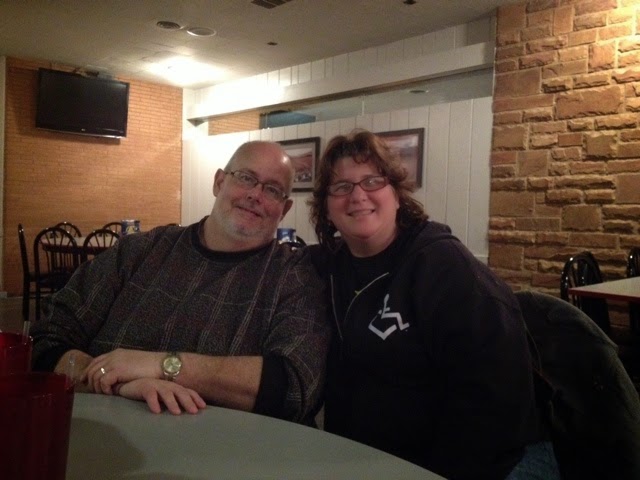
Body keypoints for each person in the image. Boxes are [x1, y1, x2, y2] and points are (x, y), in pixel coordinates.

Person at [308, 129, 559, 479]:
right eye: (341, 186)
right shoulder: (325, 267)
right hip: (371, 460)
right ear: (326, 207)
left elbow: (496, 400)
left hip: (493, 462)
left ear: (397, 195)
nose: (358, 195)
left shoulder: (444, 266)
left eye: (373, 181)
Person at [31, 141, 331, 424]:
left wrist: (164, 366)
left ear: (284, 209)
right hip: (97, 432)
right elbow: (46, 337)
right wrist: (114, 382)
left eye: (273, 189)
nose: (256, 194)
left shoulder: (293, 277)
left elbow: (296, 388)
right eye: (246, 178)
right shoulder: (139, 251)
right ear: (219, 182)